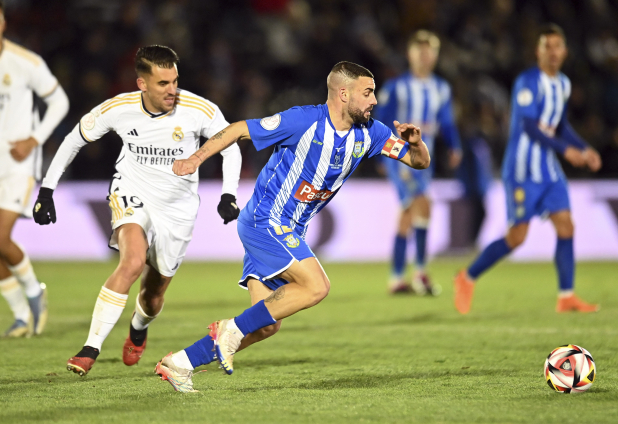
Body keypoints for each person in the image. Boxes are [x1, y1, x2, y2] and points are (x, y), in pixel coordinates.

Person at [153, 61, 431, 393]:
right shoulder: (303, 120)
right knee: (317, 286)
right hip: (265, 221)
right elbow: (239, 128)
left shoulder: (371, 132)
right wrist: (195, 160)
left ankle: (180, 363)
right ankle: (229, 329)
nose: (374, 100)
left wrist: (416, 143)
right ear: (343, 93)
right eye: (367, 93)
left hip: (287, 231)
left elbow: (419, 162)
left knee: (267, 324)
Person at [32, 45, 242, 376]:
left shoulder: (198, 109)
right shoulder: (118, 108)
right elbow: (74, 140)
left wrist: (228, 194)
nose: (172, 90)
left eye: (175, 81)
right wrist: (46, 190)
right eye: (163, 84)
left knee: (153, 295)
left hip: (178, 209)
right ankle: (90, 348)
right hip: (131, 193)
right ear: (142, 84)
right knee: (131, 262)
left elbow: (230, 147)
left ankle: (139, 327)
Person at [454, 24, 602, 314]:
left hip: (549, 170)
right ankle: (467, 277)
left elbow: (560, 125)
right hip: (522, 170)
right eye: (547, 46)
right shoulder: (527, 82)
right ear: (538, 51)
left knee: (566, 225)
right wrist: (565, 150)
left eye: (557, 46)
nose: (553, 51)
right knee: (517, 237)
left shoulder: (564, 84)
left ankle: (566, 296)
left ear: (565, 51)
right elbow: (530, 126)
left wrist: (584, 148)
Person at [374, 30, 462, 295]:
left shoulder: (441, 88)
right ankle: (421, 273)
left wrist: (455, 145)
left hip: (425, 159)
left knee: (409, 214)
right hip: (399, 157)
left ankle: (397, 278)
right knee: (423, 204)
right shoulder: (396, 87)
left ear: (435, 55)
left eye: (429, 52)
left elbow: (446, 121)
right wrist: (380, 152)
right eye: (419, 52)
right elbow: (380, 120)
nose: (424, 57)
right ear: (410, 55)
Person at [0, 0, 69, 337]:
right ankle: (21, 315)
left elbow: (60, 102)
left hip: (18, 164)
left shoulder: (25, 62)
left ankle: (33, 295)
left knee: (0, 237)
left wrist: (34, 139)